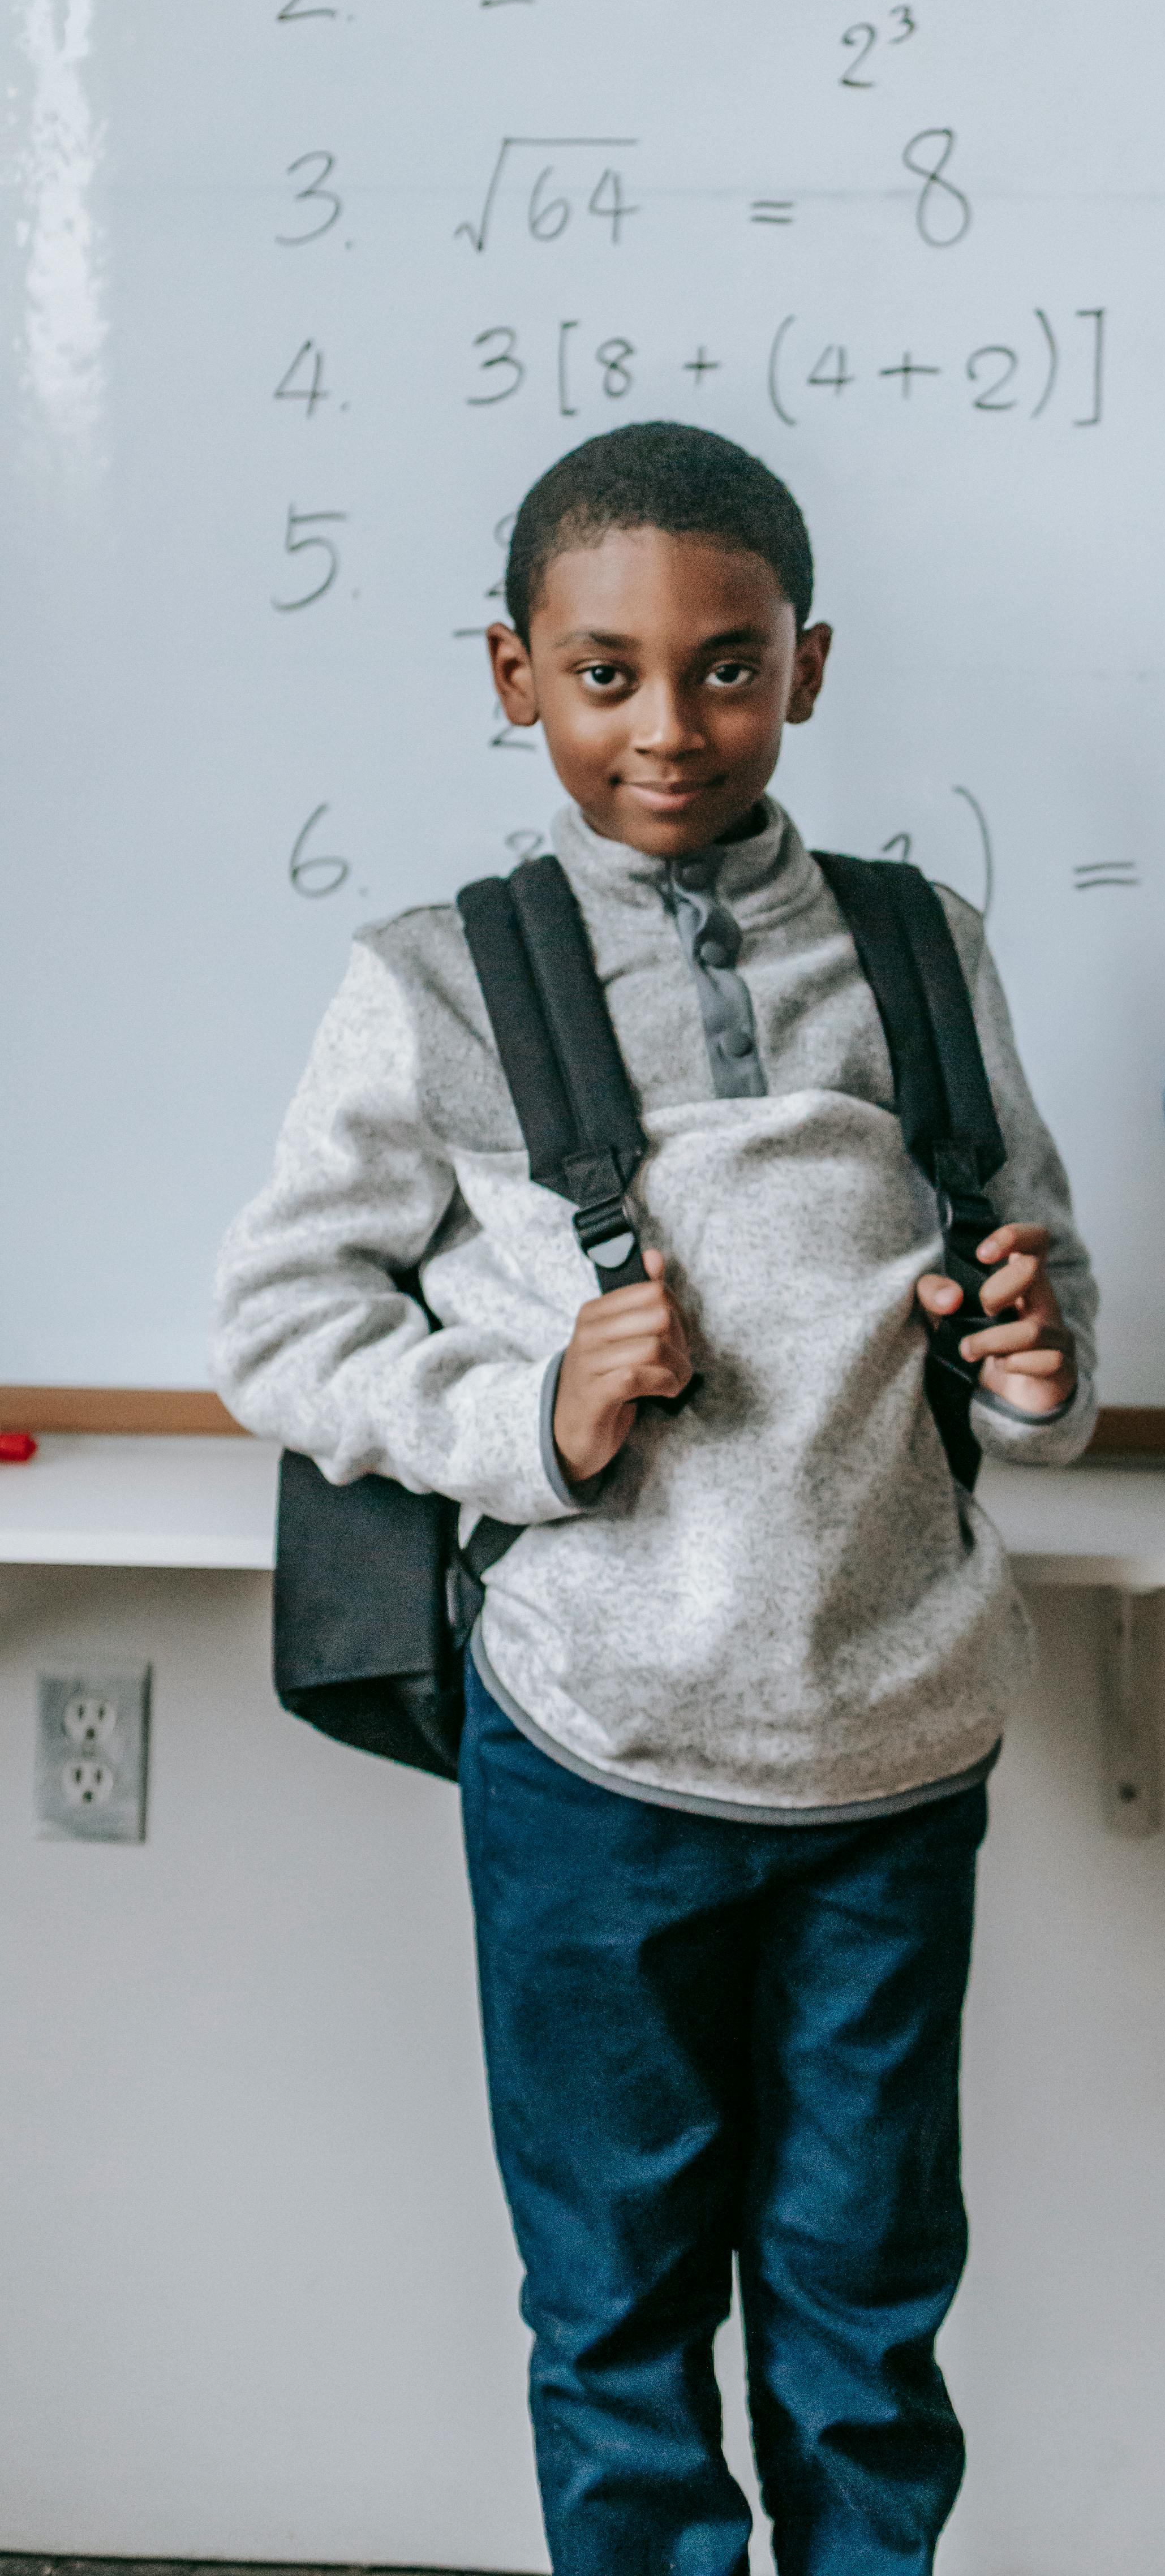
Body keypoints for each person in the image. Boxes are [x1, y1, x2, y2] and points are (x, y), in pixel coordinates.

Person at [215, 421, 1097, 2576]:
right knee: (618, 2318)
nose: (668, 725)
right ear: (513, 676)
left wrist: (1044, 1362)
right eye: (603, 673)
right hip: (598, 1747)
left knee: (866, 2315)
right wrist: (537, 1409)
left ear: (808, 665)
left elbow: (1038, 1272)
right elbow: (277, 1326)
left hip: (894, 1746)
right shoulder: (442, 982)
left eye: (726, 667)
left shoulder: (916, 947)